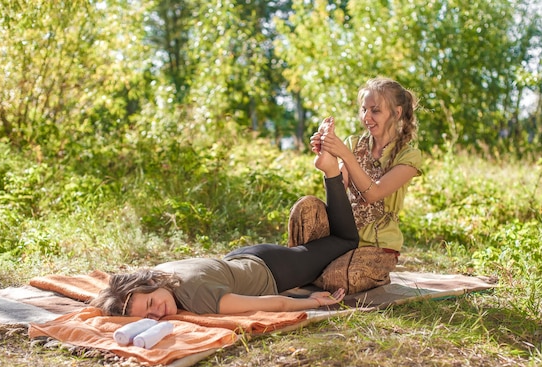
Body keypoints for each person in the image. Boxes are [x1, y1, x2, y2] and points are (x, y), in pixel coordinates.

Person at [91, 149, 359, 318]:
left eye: (150, 302)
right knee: (321, 251)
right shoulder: (162, 272)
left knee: (346, 240)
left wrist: (308, 301)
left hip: (273, 270)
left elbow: (272, 305)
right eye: (148, 317)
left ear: (152, 286)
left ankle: (332, 171)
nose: (157, 313)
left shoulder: (199, 297)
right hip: (240, 260)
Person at [292, 77, 423, 294]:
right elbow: (338, 189)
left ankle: (322, 271)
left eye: (375, 111)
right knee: (306, 206)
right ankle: (310, 268)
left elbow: (375, 193)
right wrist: (328, 160)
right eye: (364, 110)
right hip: (342, 239)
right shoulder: (355, 144)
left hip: (377, 248)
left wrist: (344, 153)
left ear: (396, 113)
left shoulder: (409, 156)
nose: (367, 117)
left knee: (335, 279)